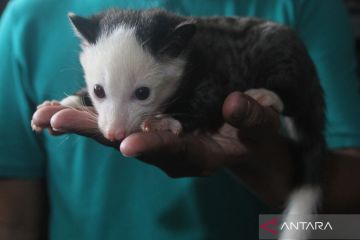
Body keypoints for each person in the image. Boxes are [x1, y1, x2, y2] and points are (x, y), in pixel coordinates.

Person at [1, 0, 360, 239]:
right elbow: (14, 216)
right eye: (97, 94)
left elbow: (347, 224)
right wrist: (83, 98)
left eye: (142, 95)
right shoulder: (27, 18)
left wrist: (261, 155)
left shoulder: (303, 7)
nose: (112, 128)